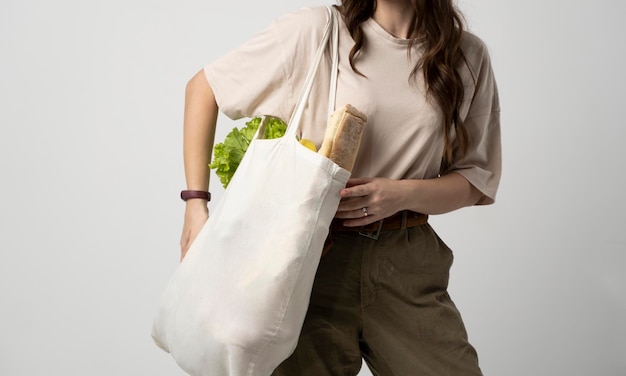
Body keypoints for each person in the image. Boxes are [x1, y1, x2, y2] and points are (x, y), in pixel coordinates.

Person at [179, 0, 500, 374]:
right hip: (308, 260)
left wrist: (401, 194)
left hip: (406, 260)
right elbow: (204, 88)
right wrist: (195, 203)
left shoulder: (466, 55)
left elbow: (476, 178)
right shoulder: (320, 31)